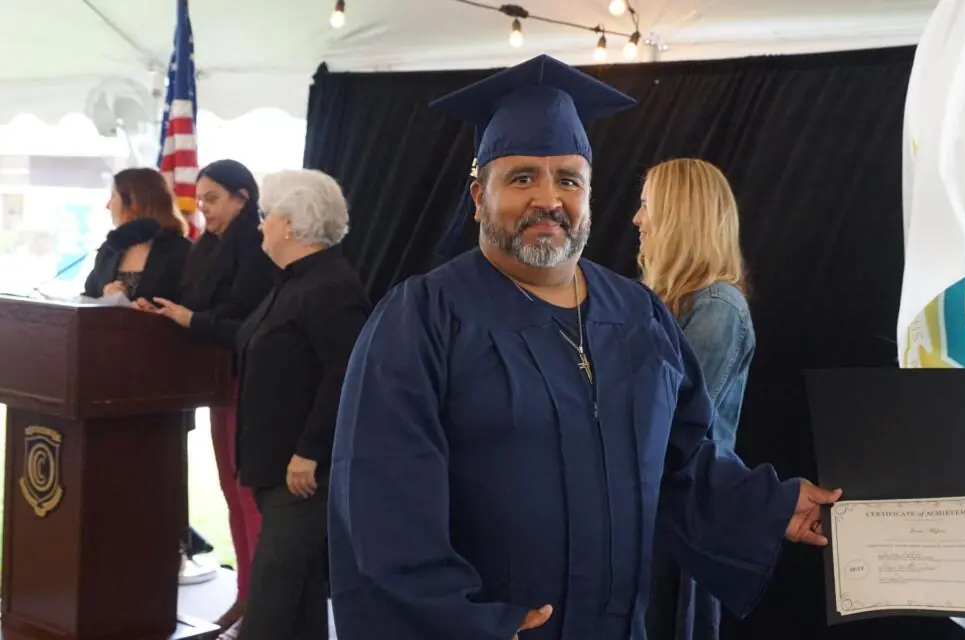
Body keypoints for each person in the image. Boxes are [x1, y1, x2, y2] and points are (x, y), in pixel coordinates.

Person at [328, 54, 842, 640]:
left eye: (568, 179)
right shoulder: (423, 319)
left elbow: (684, 461)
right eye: (522, 177)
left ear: (589, 194)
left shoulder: (640, 316)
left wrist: (770, 506)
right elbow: (380, 502)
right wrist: (468, 623)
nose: (548, 199)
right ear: (478, 196)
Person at [228, 170, 370, 640]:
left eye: (266, 216)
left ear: (290, 224)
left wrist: (310, 450)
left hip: (306, 475)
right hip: (279, 469)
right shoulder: (292, 282)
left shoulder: (331, 286)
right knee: (299, 601)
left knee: (269, 607)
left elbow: (347, 374)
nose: (261, 226)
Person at [136, 159, 277, 631]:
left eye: (213, 199)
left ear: (243, 196)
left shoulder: (257, 246)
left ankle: (263, 602)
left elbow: (243, 319)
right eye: (200, 201)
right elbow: (191, 301)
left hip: (251, 382)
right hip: (218, 382)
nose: (205, 210)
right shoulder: (209, 248)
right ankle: (244, 594)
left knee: (249, 494)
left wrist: (190, 320)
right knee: (230, 494)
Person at [635, 159, 755, 640]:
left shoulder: (718, 308)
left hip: (684, 519)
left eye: (647, 206)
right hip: (654, 516)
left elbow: (670, 429)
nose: (637, 220)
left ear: (681, 215)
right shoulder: (664, 305)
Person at [83, 167, 191, 302]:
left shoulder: (182, 250)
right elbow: (87, 298)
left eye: (113, 196)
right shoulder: (111, 248)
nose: (108, 205)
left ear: (134, 202)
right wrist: (105, 293)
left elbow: (189, 306)